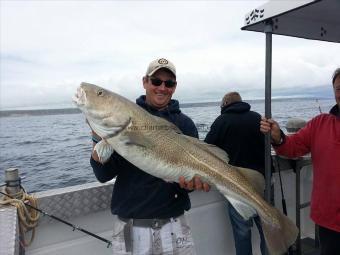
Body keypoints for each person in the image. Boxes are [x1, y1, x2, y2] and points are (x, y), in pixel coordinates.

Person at [89, 58, 209, 255]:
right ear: (145, 82)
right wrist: (97, 137)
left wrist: (190, 185)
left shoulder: (185, 125)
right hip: (131, 226)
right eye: (156, 81)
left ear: (174, 87)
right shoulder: (124, 119)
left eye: (168, 83)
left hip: (174, 226)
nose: (162, 87)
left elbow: (187, 184)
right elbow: (103, 174)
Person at [260, 67, 340, 255]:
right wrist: (277, 137)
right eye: (338, 88)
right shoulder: (320, 123)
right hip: (329, 220)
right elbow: (293, 146)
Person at [204, 91, 267, 255]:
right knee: (268, 230)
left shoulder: (221, 121)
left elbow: (206, 150)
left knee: (242, 232)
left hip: (237, 185)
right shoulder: (257, 118)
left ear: (224, 105)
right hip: (263, 181)